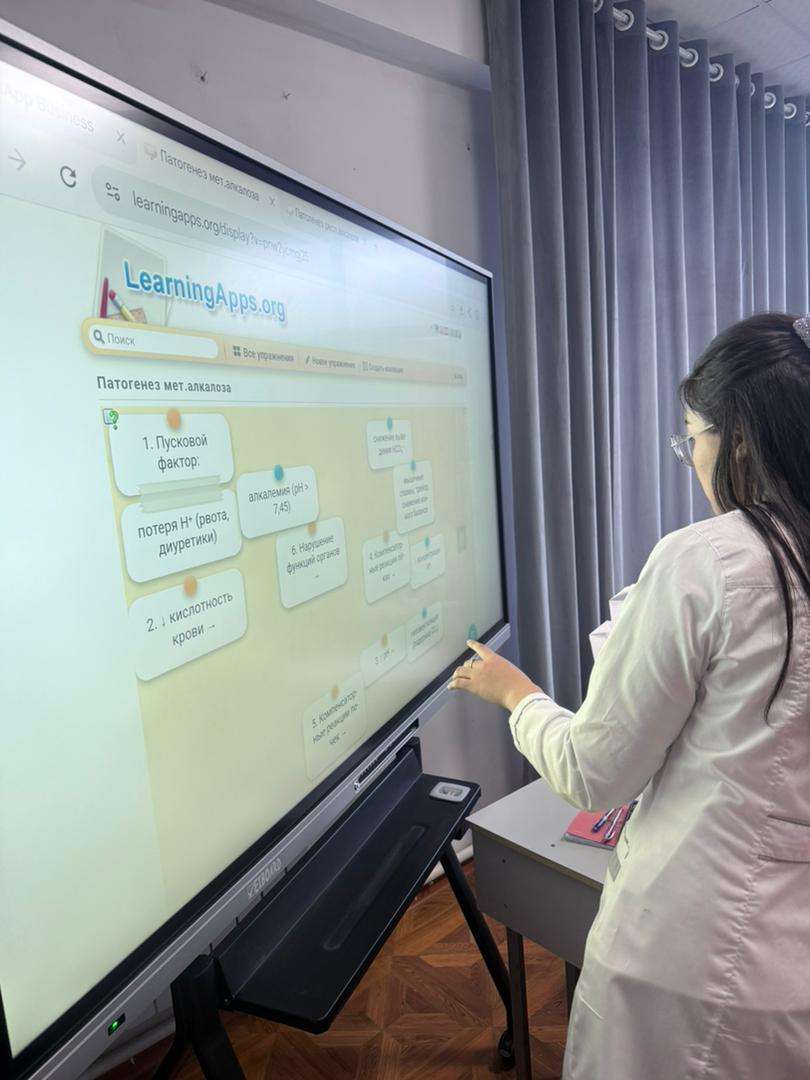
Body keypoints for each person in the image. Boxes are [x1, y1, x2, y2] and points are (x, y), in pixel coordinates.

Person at [450, 312, 810, 1080]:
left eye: (692, 439)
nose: (691, 460)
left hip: (700, 964)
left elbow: (596, 774)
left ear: (738, 443)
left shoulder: (708, 561)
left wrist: (518, 697)